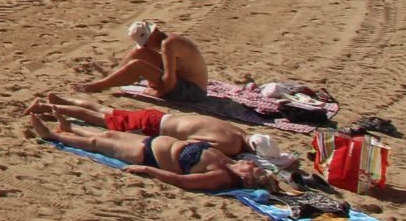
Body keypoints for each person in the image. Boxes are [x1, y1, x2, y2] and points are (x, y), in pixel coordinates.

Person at [26, 110, 271, 192]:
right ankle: (70, 130)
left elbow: (181, 181)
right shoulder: (227, 159)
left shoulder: (220, 174)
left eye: (254, 168)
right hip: (153, 143)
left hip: (147, 156)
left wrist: (146, 169)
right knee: (108, 135)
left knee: (97, 144)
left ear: (246, 176)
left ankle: (52, 135)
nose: (253, 163)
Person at [28, 92, 251, 156]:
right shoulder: (229, 143)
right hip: (153, 127)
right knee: (97, 118)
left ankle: (61, 100)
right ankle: (46, 108)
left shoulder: (234, 130)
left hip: (159, 117)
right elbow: (194, 147)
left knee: (104, 110)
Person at [74, 20, 209, 102]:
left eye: (146, 43)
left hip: (193, 91)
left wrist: (156, 92)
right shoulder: (167, 39)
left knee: (137, 66)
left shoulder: (168, 45)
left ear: (154, 33)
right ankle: (112, 75)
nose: (147, 47)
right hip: (184, 80)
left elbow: (169, 80)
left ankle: (99, 85)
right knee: (139, 53)